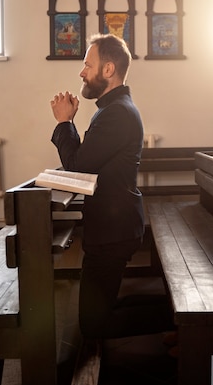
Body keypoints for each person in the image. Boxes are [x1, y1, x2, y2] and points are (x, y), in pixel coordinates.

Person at [50, 34, 172, 340]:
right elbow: (85, 161)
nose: (82, 72)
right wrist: (70, 125)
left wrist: (64, 122)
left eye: (87, 65)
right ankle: (178, 314)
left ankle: (188, 318)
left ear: (108, 70)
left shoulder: (117, 112)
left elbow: (78, 167)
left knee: (93, 326)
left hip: (112, 229)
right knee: (100, 311)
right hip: (111, 226)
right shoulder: (112, 108)